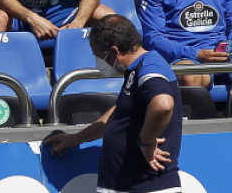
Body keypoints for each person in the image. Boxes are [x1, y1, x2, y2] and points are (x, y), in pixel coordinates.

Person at [45, 15, 183, 193]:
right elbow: (117, 114)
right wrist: (76, 138)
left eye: (97, 55)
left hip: (147, 186)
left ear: (114, 52)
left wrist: (146, 142)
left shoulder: (150, 67)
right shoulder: (135, 71)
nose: (98, 62)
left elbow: (163, 104)